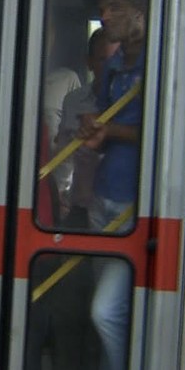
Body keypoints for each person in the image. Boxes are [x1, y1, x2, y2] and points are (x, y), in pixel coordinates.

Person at [72, 0, 148, 370]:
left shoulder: (161, 61)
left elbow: (167, 124)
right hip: (105, 199)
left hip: (135, 209)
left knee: (107, 312)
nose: (106, 17)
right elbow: (101, 115)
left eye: (115, 7)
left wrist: (112, 130)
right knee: (109, 318)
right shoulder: (116, 65)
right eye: (102, 9)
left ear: (143, 8)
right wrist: (92, 127)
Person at [55, 27, 121, 228]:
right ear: (89, 63)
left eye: (116, 59)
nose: (111, 67)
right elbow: (65, 152)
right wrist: (59, 194)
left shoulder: (132, 105)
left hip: (118, 209)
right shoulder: (74, 101)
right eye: (103, 60)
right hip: (80, 205)